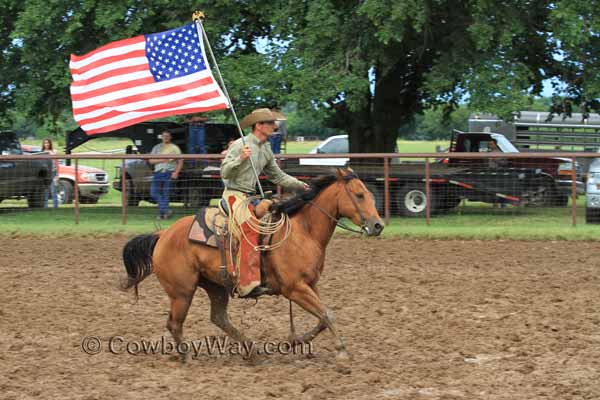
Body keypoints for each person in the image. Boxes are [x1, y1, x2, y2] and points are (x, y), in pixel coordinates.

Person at [221, 108, 309, 297]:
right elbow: (225, 172)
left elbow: (277, 176)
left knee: (277, 221)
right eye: (270, 123)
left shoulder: (266, 148)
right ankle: (246, 284)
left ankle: (270, 271)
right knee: (250, 229)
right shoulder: (240, 145)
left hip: (251, 197)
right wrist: (240, 159)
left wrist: (300, 185)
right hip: (234, 195)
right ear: (259, 125)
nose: (274, 127)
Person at [148, 130, 183, 220]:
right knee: (154, 193)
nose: (165, 137)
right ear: (161, 137)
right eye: (164, 136)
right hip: (158, 173)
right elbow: (151, 161)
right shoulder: (157, 148)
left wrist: (176, 172)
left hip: (169, 173)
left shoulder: (175, 148)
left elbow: (180, 161)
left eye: (167, 136)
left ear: (170, 137)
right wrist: (163, 160)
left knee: (165, 194)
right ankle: (166, 210)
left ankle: (162, 215)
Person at [41, 138, 58, 208]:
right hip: (45, 173)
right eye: (45, 143)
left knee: (53, 190)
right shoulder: (41, 152)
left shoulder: (54, 152)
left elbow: (57, 163)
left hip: (53, 172)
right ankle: (45, 206)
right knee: (45, 191)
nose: (46, 144)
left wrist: (57, 174)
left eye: (48, 143)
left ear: (50, 144)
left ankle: (55, 206)